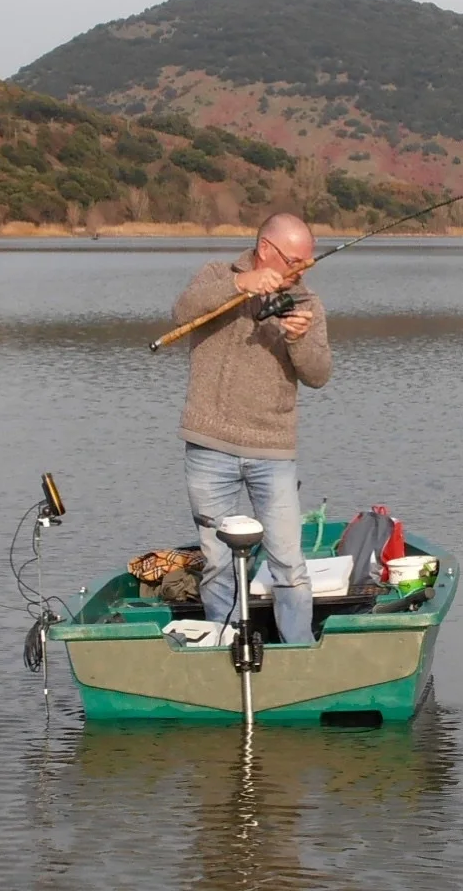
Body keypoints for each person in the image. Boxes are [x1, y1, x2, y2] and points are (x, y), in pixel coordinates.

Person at [171, 212, 331, 645]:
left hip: (273, 449)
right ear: (265, 250)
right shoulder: (217, 275)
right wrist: (241, 285)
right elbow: (181, 312)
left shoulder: (307, 303)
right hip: (210, 445)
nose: (302, 270)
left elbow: (318, 375)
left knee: (289, 565)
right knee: (218, 562)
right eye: (295, 260)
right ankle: (225, 648)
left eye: (308, 263)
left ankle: (298, 651)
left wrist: (299, 337)